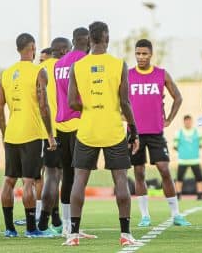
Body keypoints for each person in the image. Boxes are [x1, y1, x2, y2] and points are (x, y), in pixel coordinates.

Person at [63, 21, 143, 247]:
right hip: (113, 130)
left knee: (79, 180)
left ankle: (73, 234)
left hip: (87, 130)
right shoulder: (119, 64)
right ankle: (125, 234)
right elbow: (125, 102)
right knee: (120, 180)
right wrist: (134, 129)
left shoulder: (77, 66)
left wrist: (89, 108)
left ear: (89, 39)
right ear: (107, 38)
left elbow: (71, 102)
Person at [0, 33, 57, 238]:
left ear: (17, 49)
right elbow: (44, 106)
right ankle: (31, 229)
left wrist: (5, 133)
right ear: (32, 48)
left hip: (12, 134)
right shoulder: (39, 71)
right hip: (32, 134)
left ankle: (9, 229)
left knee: (9, 181)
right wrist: (50, 134)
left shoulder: (6, 73)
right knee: (29, 181)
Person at [129, 39, 189, 227]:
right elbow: (118, 100)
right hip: (135, 134)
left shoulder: (161, 74)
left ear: (151, 54)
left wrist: (169, 118)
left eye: (144, 53)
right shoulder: (128, 75)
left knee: (164, 170)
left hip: (156, 133)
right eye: (138, 53)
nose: (141, 57)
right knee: (139, 173)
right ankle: (145, 216)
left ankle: (176, 214)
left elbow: (178, 97)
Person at [54, 27, 96, 239]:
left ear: (73, 41)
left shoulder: (58, 64)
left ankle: (66, 226)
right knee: (79, 177)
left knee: (67, 176)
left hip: (61, 125)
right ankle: (74, 227)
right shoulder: (85, 62)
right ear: (87, 41)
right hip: (80, 123)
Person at [37, 37, 71, 235]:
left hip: (47, 131)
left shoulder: (40, 70)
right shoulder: (66, 68)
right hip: (66, 129)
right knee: (66, 177)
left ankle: (50, 221)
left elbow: (39, 101)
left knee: (51, 176)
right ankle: (59, 223)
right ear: (64, 50)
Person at [174, 115, 202, 200]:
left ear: (191, 121)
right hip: (182, 160)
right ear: (184, 122)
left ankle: (200, 195)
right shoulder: (178, 133)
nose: (188, 122)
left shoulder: (198, 132)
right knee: (179, 178)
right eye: (186, 121)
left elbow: (201, 144)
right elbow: (175, 146)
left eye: (189, 121)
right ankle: (178, 195)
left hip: (195, 160)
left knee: (200, 178)